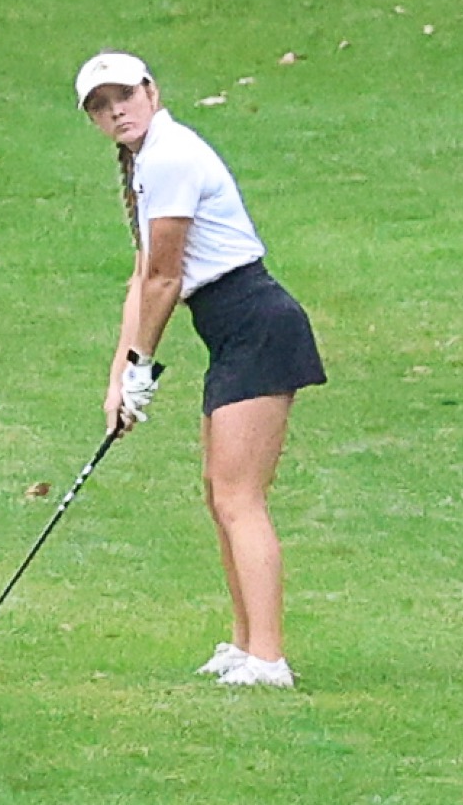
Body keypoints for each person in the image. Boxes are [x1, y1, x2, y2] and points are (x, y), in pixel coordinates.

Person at [74, 51, 326, 688]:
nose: (116, 110)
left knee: (240, 496)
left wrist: (143, 365)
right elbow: (141, 275)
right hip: (231, 331)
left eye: (124, 95)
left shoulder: (171, 156)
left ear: (151, 91)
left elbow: (166, 278)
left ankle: (269, 659)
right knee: (220, 495)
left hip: (258, 325)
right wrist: (120, 377)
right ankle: (245, 646)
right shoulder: (144, 162)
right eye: (101, 106)